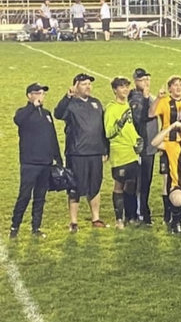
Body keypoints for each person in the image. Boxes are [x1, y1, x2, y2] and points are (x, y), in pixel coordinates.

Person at [54, 73, 109, 232]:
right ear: (76, 86)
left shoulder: (96, 103)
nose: (88, 87)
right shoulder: (70, 104)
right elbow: (58, 114)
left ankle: (96, 218)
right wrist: (67, 97)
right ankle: (73, 221)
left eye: (89, 84)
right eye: (84, 84)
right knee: (75, 187)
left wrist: (105, 148)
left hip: (95, 152)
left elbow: (102, 128)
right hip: (77, 153)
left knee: (95, 186)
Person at [9, 83, 62, 239]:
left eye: (42, 93)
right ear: (29, 95)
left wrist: (58, 158)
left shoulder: (46, 114)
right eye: (38, 93)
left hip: (46, 162)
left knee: (40, 197)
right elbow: (18, 120)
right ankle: (14, 227)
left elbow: (52, 136)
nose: (41, 96)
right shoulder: (23, 113)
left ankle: (36, 227)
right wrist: (32, 106)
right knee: (24, 196)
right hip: (30, 163)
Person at [148, 75, 181, 224]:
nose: (178, 87)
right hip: (168, 146)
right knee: (167, 179)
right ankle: (168, 214)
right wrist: (158, 99)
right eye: (175, 85)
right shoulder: (165, 102)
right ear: (170, 88)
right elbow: (151, 113)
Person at [104, 77, 142, 229]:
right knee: (119, 185)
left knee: (131, 184)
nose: (125, 89)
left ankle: (131, 217)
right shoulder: (111, 109)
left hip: (132, 152)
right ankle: (119, 219)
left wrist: (138, 139)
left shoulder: (127, 105)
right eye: (121, 87)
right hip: (119, 152)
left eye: (126, 86)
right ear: (115, 90)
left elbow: (130, 127)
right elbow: (108, 132)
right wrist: (120, 123)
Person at [128, 68, 159, 225]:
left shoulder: (146, 96)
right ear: (135, 81)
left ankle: (142, 212)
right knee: (141, 183)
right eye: (142, 80)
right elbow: (142, 117)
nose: (146, 82)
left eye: (147, 79)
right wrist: (147, 99)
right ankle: (141, 214)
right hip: (143, 147)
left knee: (146, 182)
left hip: (150, 147)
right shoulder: (136, 99)